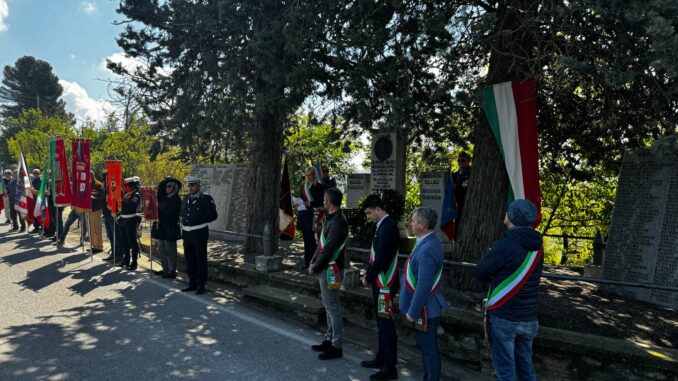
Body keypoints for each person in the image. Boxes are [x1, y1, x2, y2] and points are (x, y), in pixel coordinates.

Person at [476, 199, 543, 381]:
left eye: (508, 211)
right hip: (529, 317)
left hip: (504, 317)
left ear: (512, 217)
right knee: (526, 367)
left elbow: (481, 273)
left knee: (506, 371)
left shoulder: (504, 246)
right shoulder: (538, 247)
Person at [400, 207, 449, 381]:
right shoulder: (426, 241)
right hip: (424, 307)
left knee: (429, 349)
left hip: (425, 310)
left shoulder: (428, 248)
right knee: (426, 347)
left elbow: (423, 286)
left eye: (413, 220)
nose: (410, 223)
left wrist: (412, 312)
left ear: (422, 224)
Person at [360, 194, 400, 380]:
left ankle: (390, 367)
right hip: (380, 282)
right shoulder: (382, 226)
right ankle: (381, 357)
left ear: (377, 208)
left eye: (369, 213)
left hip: (385, 283)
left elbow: (382, 258)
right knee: (381, 323)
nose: (368, 217)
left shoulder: (388, 227)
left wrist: (368, 277)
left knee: (386, 324)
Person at [309, 187, 348, 360]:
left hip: (331, 269)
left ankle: (336, 345)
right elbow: (321, 245)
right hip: (324, 267)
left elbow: (330, 249)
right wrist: (312, 261)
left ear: (329, 202)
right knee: (328, 306)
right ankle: (329, 338)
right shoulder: (331, 219)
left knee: (333, 307)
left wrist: (315, 266)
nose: (323, 201)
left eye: (324, 199)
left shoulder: (339, 221)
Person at [180, 175, 218, 294]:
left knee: (200, 259)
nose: (190, 187)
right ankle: (192, 282)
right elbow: (183, 213)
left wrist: (199, 219)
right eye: (189, 185)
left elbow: (213, 215)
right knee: (189, 258)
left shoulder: (205, 198)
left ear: (198, 185)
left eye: (193, 185)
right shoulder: (186, 198)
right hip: (187, 232)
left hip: (199, 232)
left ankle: (201, 284)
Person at [152, 177, 182, 278]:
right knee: (162, 249)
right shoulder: (164, 199)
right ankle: (165, 268)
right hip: (162, 228)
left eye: (169, 186)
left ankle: (172, 271)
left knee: (170, 251)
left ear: (175, 188)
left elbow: (173, 215)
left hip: (170, 228)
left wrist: (161, 215)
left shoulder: (177, 200)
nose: (166, 188)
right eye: (166, 186)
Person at [297, 166, 324, 268]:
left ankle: (313, 263)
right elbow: (301, 199)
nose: (308, 177)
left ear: (314, 175)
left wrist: (309, 203)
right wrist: (298, 202)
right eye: (307, 175)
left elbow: (320, 203)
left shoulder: (319, 187)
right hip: (304, 215)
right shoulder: (304, 187)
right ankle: (307, 262)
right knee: (306, 240)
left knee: (312, 241)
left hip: (314, 217)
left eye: (310, 175)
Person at [117, 176, 142, 271]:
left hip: (131, 221)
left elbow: (130, 207)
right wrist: (119, 216)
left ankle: (134, 262)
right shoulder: (127, 195)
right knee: (124, 242)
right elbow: (122, 208)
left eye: (126, 185)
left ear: (132, 186)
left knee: (132, 242)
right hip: (123, 220)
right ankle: (126, 260)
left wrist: (121, 203)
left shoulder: (136, 195)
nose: (124, 187)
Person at [452, 152, 471, 222]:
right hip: (454, 206)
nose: (460, 162)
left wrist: (454, 186)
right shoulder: (454, 174)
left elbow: (463, 187)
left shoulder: (471, 173)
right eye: (458, 160)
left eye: (463, 160)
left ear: (468, 160)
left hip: (465, 205)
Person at [89, 171, 105, 254]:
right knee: (91, 228)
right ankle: (94, 245)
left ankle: (99, 246)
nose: (89, 177)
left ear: (93, 175)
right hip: (89, 208)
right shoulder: (88, 184)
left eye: (90, 175)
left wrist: (91, 194)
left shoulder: (98, 184)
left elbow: (101, 196)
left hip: (96, 209)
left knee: (97, 228)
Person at [29, 169, 42, 234]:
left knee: (41, 214)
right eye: (34, 173)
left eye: (37, 173)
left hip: (41, 200)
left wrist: (37, 192)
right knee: (35, 214)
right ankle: (36, 227)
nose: (35, 174)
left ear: (39, 173)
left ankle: (43, 228)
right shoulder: (31, 182)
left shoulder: (42, 181)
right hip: (33, 200)